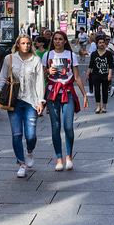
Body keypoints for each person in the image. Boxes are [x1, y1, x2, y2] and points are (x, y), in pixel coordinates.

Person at [0, 35, 46, 178]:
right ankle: (21, 163)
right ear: (18, 44)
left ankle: (29, 151)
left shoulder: (36, 60)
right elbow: (3, 76)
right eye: (23, 43)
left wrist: (41, 100)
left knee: (31, 135)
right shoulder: (9, 58)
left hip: (31, 101)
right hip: (14, 101)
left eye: (28, 43)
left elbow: (39, 82)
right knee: (16, 134)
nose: (26, 45)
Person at [43, 31, 87, 171]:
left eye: (60, 39)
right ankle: (59, 158)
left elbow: (77, 77)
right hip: (52, 92)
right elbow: (42, 75)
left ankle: (69, 156)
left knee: (68, 126)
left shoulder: (71, 55)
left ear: (64, 41)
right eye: (55, 39)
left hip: (67, 92)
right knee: (55, 126)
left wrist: (84, 94)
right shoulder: (47, 55)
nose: (57, 41)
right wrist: (47, 72)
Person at [87, 35, 114, 114]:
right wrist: (87, 74)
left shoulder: (108, 53)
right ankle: (98, 106)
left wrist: (110, 74)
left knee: (105, 91)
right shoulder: (94, 54)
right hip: (96, 74)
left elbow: (111, 65)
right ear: (97, 44)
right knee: (97, 90)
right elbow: (90, 65)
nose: (101, 44)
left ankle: (104, 106)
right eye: (100, 43)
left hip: (105, 75)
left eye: (103, 42)